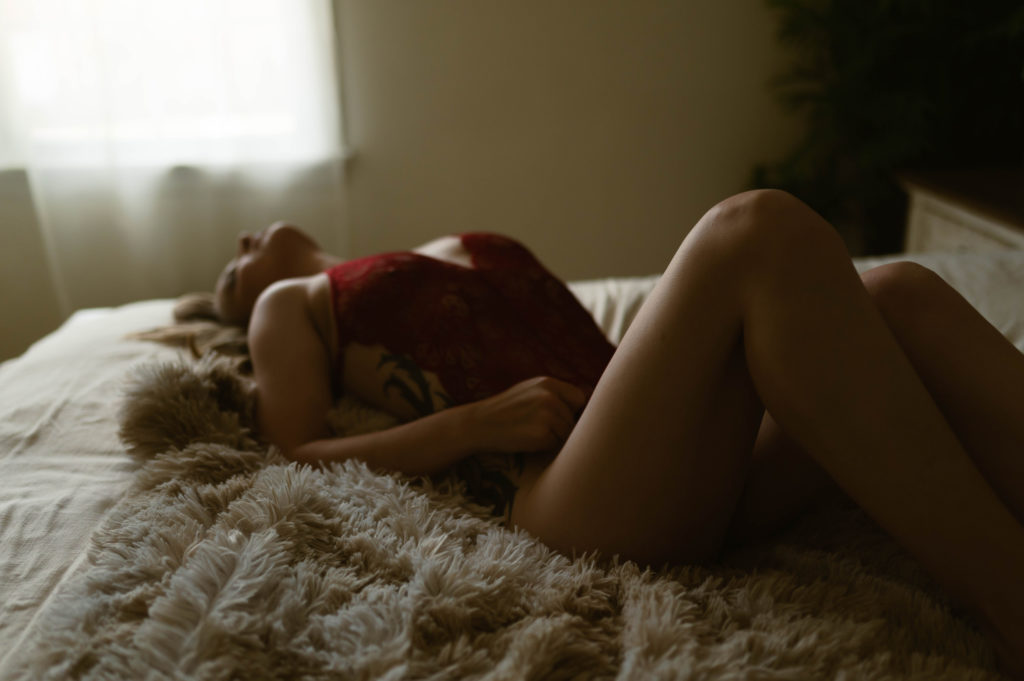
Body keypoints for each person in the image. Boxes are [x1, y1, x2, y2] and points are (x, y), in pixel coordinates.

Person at [213, 190, 1024, 673]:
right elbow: (296, 452)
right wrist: (472, 425)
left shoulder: (426, 251)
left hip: (677, 453)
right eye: (230, 270)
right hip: (569, 488)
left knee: (895, 294)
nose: (246, 243)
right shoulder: (291, 302)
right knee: (750, 229)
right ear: (246, 303)